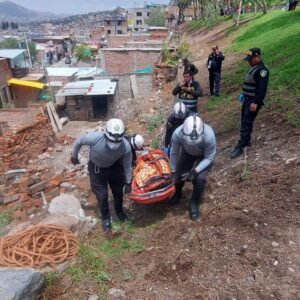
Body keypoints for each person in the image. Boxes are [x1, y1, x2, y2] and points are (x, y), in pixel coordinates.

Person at [71, 118, 132, 232]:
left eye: (117, 142)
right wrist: (74, 155)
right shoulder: (95, 138)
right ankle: (105, 218)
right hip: (96, 168)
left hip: (113, 167)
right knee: (102, 195)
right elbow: (79, 141)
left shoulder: (125, 146)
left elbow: (127, 165)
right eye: (112, 141)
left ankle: (119, 211)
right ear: (106, 134)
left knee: (118, 191)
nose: (114, 144)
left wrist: (128, 181)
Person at [169, 115, 216, 221]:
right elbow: (174, 152)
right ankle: (177, 193)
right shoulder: (177, 133)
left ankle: (194, 202)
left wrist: (195, 171)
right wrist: (173, 170)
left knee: (199, 179)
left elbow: (209, 157)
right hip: (187, 152)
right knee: (179, 173)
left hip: (204, 155)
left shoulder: (209, 135)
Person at [230, 48, 269, 159]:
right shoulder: (254, 68)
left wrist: (256, 102)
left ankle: (242, 145)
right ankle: (246, 140)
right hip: (247, 99)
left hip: (253, 101)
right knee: (244, 120)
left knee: (246, 122)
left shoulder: (262, 71)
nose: (249, 61)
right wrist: (244, 93)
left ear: (257, 57)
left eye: (250, 59)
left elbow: (262, 89)